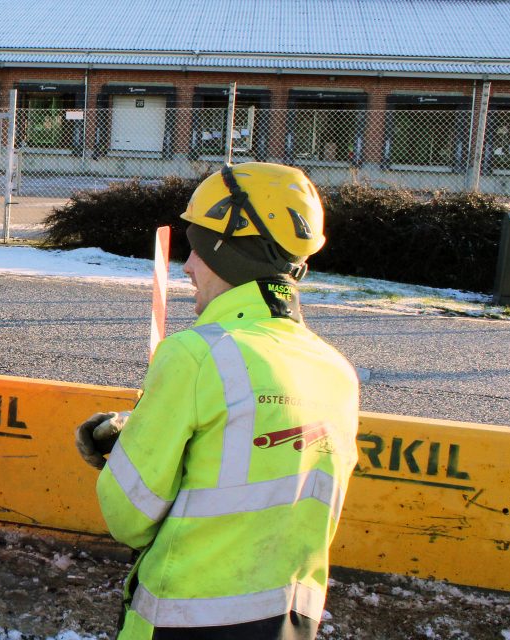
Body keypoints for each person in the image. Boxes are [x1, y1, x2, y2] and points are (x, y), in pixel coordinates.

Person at [73, 163, 360, 639]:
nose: (186, 266)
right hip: (288, 624)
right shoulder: (335, 371)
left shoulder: (197, 354)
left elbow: (130, 516)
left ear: (230, 252)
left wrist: (124, 451)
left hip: (182, 623)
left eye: (198, 248)